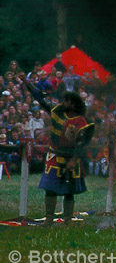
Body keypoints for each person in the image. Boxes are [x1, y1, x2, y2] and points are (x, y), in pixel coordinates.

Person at [20, 73, 94, 226]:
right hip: (54, 157)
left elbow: (82, 143)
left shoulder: (83, 122)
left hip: (71, 158)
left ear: (73, 104)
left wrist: (74, 160)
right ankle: (48, 219)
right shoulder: (56, 112)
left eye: (66, 100)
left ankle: (67, 220)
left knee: (69, 191)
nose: (63, 102)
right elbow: (40, 98)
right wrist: (26, 82)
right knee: (50, 189)